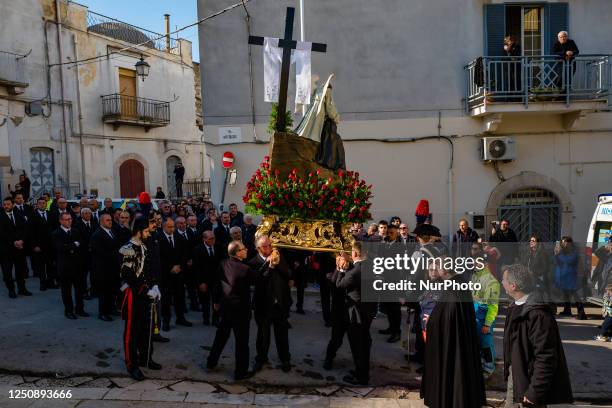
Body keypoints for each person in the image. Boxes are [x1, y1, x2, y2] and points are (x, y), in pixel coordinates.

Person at [502, 264, 573, 407]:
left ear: (513, 286)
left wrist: (534, 392)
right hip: (516, 379)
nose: (501, 283)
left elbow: (546, 356)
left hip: (529, 386)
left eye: (503, 280)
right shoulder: (515, 306)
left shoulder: (538, 314)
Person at [420, 256, 486, 408]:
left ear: (445, 269)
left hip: (453, 342)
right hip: (458, 338)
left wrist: (432, 322)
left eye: (438, 266)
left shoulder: (454, 289)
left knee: (454, 374)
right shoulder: (458, 282)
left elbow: (448, 316)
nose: (436, 269)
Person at [119, 217, 162, 381]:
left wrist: (154, 286)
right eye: (145, 231)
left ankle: (145, 358)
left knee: (147, 327)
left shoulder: (144, 246)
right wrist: (144, 289)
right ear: (138, 231)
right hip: (133, 294)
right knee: (132, 331)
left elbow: (148, 269)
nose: (148, 234)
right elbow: (127, 275)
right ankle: (132, 364)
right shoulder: (127, 248)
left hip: (146, 292)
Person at [207, 240, 255, 380]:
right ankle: (240, 372)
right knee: (241, 342)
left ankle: (211, 362)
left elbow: (217, 284)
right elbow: (259, 279)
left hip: (226, 307)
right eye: (243, 249)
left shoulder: (223, 263)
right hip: (240, 310)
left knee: (221, 336)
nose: (246, 250)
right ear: (237, 252)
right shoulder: (245, 269)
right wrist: (269, 264)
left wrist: (215, 302)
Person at [249, 236, 292, 373]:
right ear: (258, 248)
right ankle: (261, 359)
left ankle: (285, 359)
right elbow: (258, 281)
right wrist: (269, 265)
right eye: (265, 246)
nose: (269, 248)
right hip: (263, 305)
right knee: (263, 336)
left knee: (282, 335)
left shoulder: (279, 257)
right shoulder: (253, 262)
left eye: (270, 245)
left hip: (279, 304)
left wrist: (278, 264)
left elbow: (288, 274)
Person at [336, 241, 376, 385]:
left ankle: (361, 376)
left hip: (356, 314)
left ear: (355, 253)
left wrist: (340, 270)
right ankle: (362, 371)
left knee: (357, 346)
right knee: (365, 342)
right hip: (369, 311)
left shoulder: (355, 271)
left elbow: (340, 285)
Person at [471, 243, 501, 378]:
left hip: (484, 318)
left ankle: (489, 368)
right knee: (480, 343)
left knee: (486, 344)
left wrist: (487, 324)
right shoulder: (475, 276)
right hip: (476, 316)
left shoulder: (491, 281)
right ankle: (483, 364)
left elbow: (493, 306)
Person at [53, 212, 87, 319]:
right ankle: (68, 311)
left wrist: (70, 246)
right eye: (66, 219)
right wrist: (74, 245)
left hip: (77, 266)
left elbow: (81, 244)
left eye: (70, 219)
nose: (69, 221)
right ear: (61, 221)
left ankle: (80, 309)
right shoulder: (56, 233)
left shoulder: (76, 231)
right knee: (66, 290)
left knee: (79, 289)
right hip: (65, 267)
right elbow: (61, 248)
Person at [158, 218, 191, 330]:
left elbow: (184, 255)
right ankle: (166, 321)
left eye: (173, 227)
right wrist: (170, 267)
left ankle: (180, 318)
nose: (172, 229)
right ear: (163, 226)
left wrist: (179, 266)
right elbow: (158, 258)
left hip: (178, 273)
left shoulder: (179, 238)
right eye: (169, 227)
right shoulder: (158, 238)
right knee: (166, 299)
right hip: (165, 274)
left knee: (180, 296)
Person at [323, 252, 351, 370]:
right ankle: (328, 359)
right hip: (338, 311)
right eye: (340, 258)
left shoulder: (354, 270)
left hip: (352, 311)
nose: (343, 260)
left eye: (345, 258)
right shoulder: (334, 271)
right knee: (336, 339)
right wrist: (339, 269)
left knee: (358, 340)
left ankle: (360, 363)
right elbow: (333, 284)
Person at [90, 214, 121, 322]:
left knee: (112, 290)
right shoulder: (97, 235)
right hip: (103, 269)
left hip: (113, 267)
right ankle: (102, 313)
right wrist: (115, 254)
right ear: (101, 222)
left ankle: (111, 308)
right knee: (104, 292)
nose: (110, 222)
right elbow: (100, 253)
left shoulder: (111, 231)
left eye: (111, 220)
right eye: (107, 220)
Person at [1, 196, 31, 298]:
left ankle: (22, 289)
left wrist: (22, 240)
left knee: (20, 270)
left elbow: (25, 229)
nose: (6, 206)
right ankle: (11, 290)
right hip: (6, 250)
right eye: (4, 204)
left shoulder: (19, 215)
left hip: (19, 248)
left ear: (12, 205)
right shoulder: (1, 216)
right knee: (7, 272)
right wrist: (14, 242)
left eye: (8, 204)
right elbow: (2, 233)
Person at [554, 236, 587, 320]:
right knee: (566, 295)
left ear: (569, 243)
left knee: (576, 296)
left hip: (572, 277)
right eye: (562, 242)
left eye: (565, 242)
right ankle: (567, 310)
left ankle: (582, 313)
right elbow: (558, 261)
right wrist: (556, 254)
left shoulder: (574, 252)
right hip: (565, 277)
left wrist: (559, 254)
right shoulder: (563, 252)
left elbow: (568, 260)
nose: (563, 244)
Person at [193, 230, 221, 326]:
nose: (213, 240)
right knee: (205, 301)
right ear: (204, 239)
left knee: (216, 300)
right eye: (210, 239)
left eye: (213, 238)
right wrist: (201, 282)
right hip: (204, 280)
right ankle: (206, 318)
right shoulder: (198, 249)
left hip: (216, 280)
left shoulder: (218, 247)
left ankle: (215, 319)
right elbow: (196, 268)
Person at [30, 197, 57, 290]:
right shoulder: (32, 216)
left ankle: (51, 282)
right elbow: (31, 233)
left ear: (46, 204)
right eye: (40, 203)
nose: (42, 204)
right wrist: (35, 245)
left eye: (43, 203)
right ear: (37, 205)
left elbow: (55, 229)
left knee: (50, 265)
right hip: (39, 246)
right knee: (41, 266)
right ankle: (42, 283)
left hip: (50, 245)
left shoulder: (51, 214)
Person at [520, 235, 552, 299]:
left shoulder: (542, 254)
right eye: (530, 241)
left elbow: (545, 268)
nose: (531, 242)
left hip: (539, 278)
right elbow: (523, 264)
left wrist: (534, 272)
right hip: (529, 278)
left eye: (533, 241)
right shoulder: (528, 253)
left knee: (541, 295)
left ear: (538, 243)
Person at [75, 208, 97, 300]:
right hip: (82, 254)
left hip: (93, 253)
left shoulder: (94, 224)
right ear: (82, 215)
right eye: (86, 213)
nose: (88, 215)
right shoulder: (77, 225)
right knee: (83, 275)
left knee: (94, 274)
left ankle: (93, 291)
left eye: (89, 213)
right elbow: (78, 239)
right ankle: (83, 292)